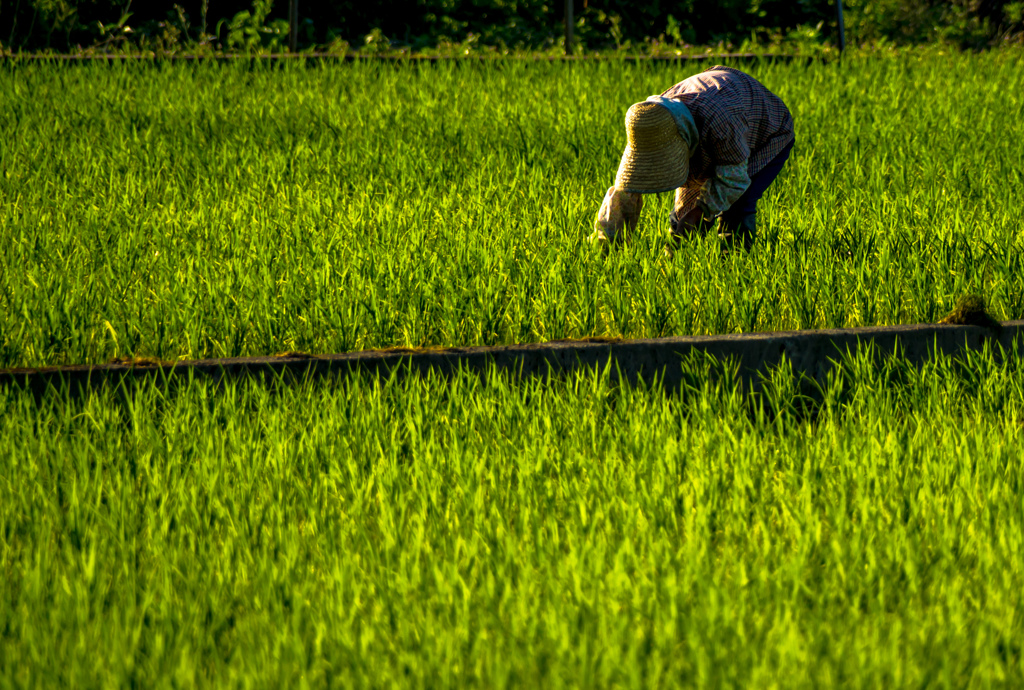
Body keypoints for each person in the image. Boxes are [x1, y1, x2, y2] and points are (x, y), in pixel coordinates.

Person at [592, 65, 795, 253]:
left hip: (765, 136)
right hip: (708, 126)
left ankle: (734, 266)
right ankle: (676, 263)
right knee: (683, 214)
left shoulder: (721, 121)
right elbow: (626, 190)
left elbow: (734, 179)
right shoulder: (649, 122)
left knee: (736, 206)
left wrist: (701, 211)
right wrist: (605, 245)